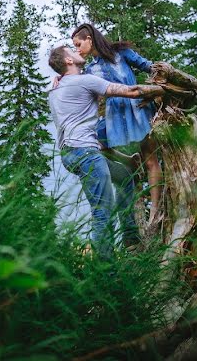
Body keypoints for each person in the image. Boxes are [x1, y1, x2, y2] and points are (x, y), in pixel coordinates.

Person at [47, 44, 164, 257]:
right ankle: (106, 270)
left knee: (125, 176)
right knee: (102, 213)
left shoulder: (56, 89)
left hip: (70, 154)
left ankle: (130, 238)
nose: (77, 52)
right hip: (86, 154)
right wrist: (165, 89)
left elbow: (98, 142)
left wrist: (124, 158)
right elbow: (130, 91)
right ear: (68, 61)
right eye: (71, 51)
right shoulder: (84, 81)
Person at [71, 24, 165, 223]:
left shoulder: (121, 53)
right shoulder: (88, 70)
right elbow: (78, 88)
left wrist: (165, 83)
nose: (77, 49)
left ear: (89, 38)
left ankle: (156, 210)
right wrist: (59, 78)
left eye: (78, 44)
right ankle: (129, 160)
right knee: (95, 142)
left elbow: (148, 66)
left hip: (138, 108)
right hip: (115, 116)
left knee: (150, 160)